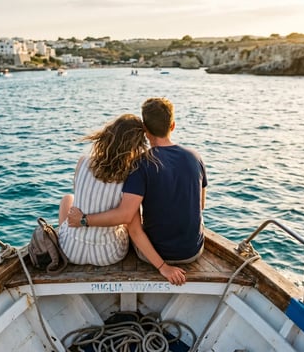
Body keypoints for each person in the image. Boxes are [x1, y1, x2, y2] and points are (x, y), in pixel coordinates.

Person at [68, 97, 207, 286]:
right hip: (193, 252)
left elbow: (128, 219)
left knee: (131, 217)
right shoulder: (195, 157)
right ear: (173, 125)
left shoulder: (141, 164)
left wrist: (163, 267)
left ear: (145, 130)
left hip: (155, 257)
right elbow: (201, 205)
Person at [58, 113, 149, 266]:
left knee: (68, 199)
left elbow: (80, 198)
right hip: (108, 253)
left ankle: (65, 235)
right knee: (130, 214)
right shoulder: (131, 175)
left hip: (71, 250)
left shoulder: (83, 162)